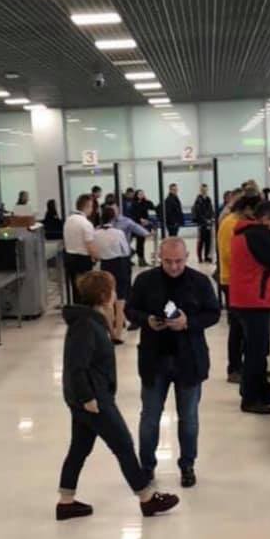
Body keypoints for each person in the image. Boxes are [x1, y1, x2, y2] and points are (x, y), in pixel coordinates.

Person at [56, 270, 179, 520]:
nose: (115, 295)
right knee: (123, 444)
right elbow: (76, 366)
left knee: (79, 448)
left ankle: (66, 502)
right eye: (112, 290)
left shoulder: (91, 320)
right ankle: (146, 498)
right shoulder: (86, 325)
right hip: (94, 399)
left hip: (89, 397)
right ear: (104, 295)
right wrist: (88, 398)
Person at [126, 238, 220, 488]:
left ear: (187, 257)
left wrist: (189, 322)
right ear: (159, 257)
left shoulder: (199, 282)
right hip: (154, 359)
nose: (174, 266)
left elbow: (214, 313)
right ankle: (146, 467)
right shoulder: (145, 281)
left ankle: (187, 465)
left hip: (189, 360)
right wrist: (147, 320)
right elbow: (130, 309)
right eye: (168, 261)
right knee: (150, 417)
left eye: (178, 261)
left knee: (188, 418)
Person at [230, 200, 270, 414]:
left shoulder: (242, 232)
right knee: (255, 352)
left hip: (245, 297)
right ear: (265, 218)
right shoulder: (257, 235)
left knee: (257, 349)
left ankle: (263, 390)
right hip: (254, 299)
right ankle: (250, 398)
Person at [218, 191, 260, 383]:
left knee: (242, 328)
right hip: (231, 280)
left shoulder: (236, 221)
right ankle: (234, 368)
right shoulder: (231, 224)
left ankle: (247, 366)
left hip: (237, 279)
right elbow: (229, 254)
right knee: (237, 327)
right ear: (247, 209)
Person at [94, 205, 133, 344]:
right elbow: (126, 250)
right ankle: (118, 334)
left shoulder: (96, 233)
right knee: (120, 302)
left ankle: (110, 331)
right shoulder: (118, 233)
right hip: (119, 265)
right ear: (113, 218)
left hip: (105, 265)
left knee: (107, 302)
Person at [63, 194, 101, 303]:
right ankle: (85, 309)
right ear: (87, 206)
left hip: (69, 257)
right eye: (91, 207)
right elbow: (89, 244)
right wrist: (97, 257)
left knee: (75, 288)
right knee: (85, 288)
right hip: (82, 260)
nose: (92, 210)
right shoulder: (86, 223)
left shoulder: (68, 220)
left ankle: (76, 307)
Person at [131, 189, 158, 266]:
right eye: (139, 194)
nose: (141, 195)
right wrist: (139, 219)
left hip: (145, 225)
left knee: (141, 243)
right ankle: (138, 258)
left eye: (142, 193)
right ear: (136, 195)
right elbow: (133, 214)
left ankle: (141, 260)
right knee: (138, 243)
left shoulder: (146, 203)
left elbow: (152, 209)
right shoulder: (134, 203)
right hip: (136, 225)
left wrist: (147, 221)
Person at [192, 183, 214, 263]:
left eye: (205, 190)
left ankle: (207, 257)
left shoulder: (208, 199)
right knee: (201, 241)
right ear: (200, 190)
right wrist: (205, 220)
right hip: (201, 224)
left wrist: (211, 218)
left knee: (208, 241)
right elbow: (198, 212)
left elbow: (211, 210)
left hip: (208, 224)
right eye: (203, 190)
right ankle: (200, 257)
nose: (204, 191)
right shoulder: (198, 200)